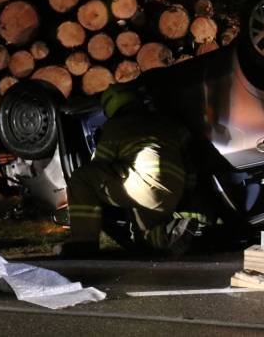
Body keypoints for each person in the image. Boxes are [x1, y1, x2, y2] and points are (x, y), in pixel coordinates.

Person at [59, 82, 197, 257]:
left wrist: (115, 167)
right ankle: (170, 234)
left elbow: (98, 166)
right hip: (173, 192)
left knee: (82, 178)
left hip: (144, 189)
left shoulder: (116, 125)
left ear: (110, 107)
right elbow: (189, 159)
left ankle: (83, 242)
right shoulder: (165, 121)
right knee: (143, 238)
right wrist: (186, 193)